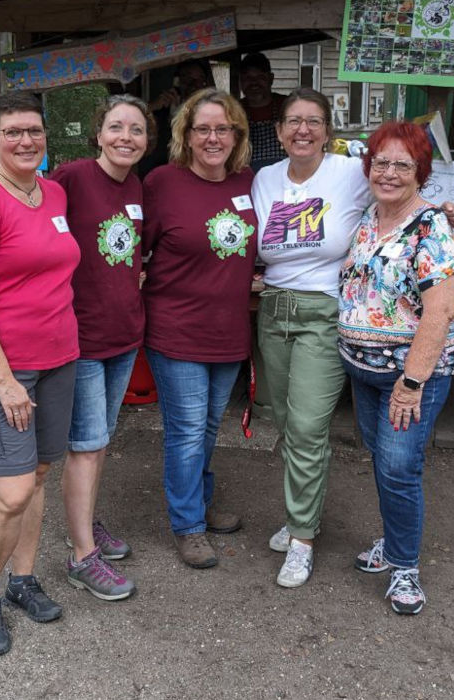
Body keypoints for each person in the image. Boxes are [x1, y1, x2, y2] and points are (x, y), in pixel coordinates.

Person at [251, 87, 454, 590]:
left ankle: (308, 538)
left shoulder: (352, 174)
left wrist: (449, 214)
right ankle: (317, 518)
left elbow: (419, 216)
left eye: (314, 121)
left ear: (329, 131)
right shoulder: (268, 180)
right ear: (278, 131)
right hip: (284, 313)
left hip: (334, 323)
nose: (302, 129)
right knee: (287, 422)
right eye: (292, 121)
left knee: (319, 432)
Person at [0, 92, 80, 656]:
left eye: (34, 130)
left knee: (40, 475)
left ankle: (23, 580)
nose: (26, 140)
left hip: (58, 357)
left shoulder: (52, 192)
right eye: (14, 132)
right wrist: (4, 380)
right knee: (11, 489)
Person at [338, 121, 454, 614]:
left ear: (421, 173)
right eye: (381, 162)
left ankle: (405, 569)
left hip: (410, 376)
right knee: (382, 457)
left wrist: (411, 384)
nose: (389, 172)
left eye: (402, 164)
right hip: (364, 370)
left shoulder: (430, 226)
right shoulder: (372, 217)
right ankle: (392, 544)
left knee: (398, 467)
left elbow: (440, 310)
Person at [142, 88, 256, 568]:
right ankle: (187, 524)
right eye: (202, 128)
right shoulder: (162, 183)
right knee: (187, 430)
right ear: (185, 135)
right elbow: (134, 247)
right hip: (177, 329)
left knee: (209, 426)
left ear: (236, 136)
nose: (213, 137)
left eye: (222, 128)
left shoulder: (249, 182)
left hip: (229, 332)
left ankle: (200, 504)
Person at [50, 94, 156, 601]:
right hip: (81, 335)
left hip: (122, 333)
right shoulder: (71, 178)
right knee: (86, 445)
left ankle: (86, 525)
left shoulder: (135, 184)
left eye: (136, 130)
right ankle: (81, 556)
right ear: (98, 133)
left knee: (100, 440)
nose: (126, 138)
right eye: (116, 127)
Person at [138, 59, 214, 178]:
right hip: (156, 173)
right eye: (188, 77)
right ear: (177, 80)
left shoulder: (210, 111)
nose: (194, 84)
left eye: (199, 78)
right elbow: (129, 118)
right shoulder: (163, 107)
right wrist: (153, 105)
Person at [239, 52, 286, 172]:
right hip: (247, 178)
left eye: (260, 77)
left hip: (285, 175)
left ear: (271, 79)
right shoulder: (234, 109)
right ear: (240, 81)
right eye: (248, 78)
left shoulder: (286, 105)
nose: (254, 83)